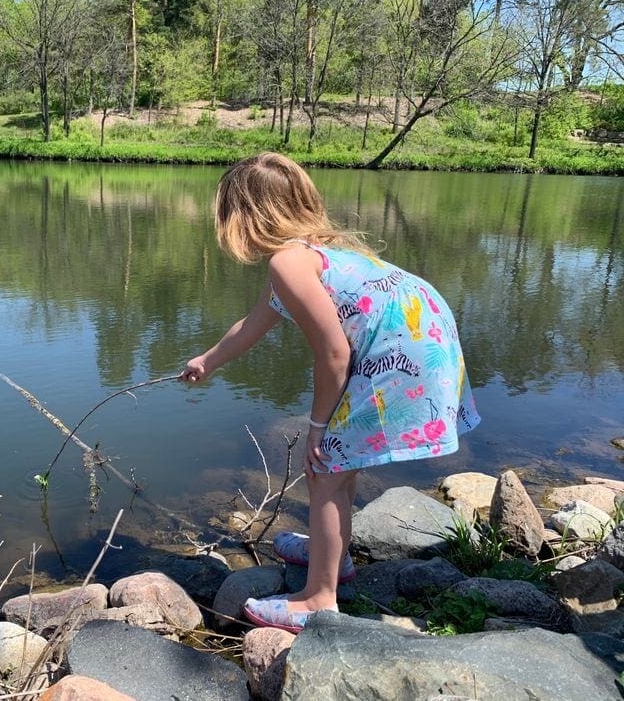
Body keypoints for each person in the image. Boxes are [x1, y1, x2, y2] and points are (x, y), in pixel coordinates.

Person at [179, 152, 480, 633]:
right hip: (427, 340)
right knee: (339, 462)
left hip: (401, 356)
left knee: (325, 465)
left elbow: (335, 356)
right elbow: (253, 323)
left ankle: (319, 597)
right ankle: (330, 556)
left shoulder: (288, 262)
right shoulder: (315, 253)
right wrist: (208, 360)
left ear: (244, 215)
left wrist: (317, 427)